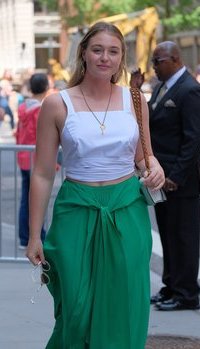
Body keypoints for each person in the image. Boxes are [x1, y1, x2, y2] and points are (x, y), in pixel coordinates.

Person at [26, 22, 164, 349]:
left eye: (113, 51)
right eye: (98, 50)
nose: (105, 57)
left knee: (125, 303)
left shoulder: (135, 99)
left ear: (121, 58)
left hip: (126, 210)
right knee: (75, 308)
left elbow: (143, 157)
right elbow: (43, 173)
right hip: (76, 210)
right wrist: (34, 235)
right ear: (84, 53)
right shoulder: (57, 104)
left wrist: (153, 166)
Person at [146, 41, 200, 310]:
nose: (154, 67)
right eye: (153, 61)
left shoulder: (190, 90)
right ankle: (171, 286)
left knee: (184, 237)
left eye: (158, 61)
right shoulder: (160, 88)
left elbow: (193, 140)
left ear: (176, 59)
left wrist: (176, 176)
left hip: (182, 182)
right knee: (168, 234)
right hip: (162, 179)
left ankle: (187, 293)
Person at [15, 73, 49, 248]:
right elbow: (43, 138)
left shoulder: (22, 108)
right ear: (45, 88)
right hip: (36, 161)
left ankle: (24, 237)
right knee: (37, 199)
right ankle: (38, 235)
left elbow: (18, 134)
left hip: (23, 158)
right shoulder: (41, 110)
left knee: (25, 199)